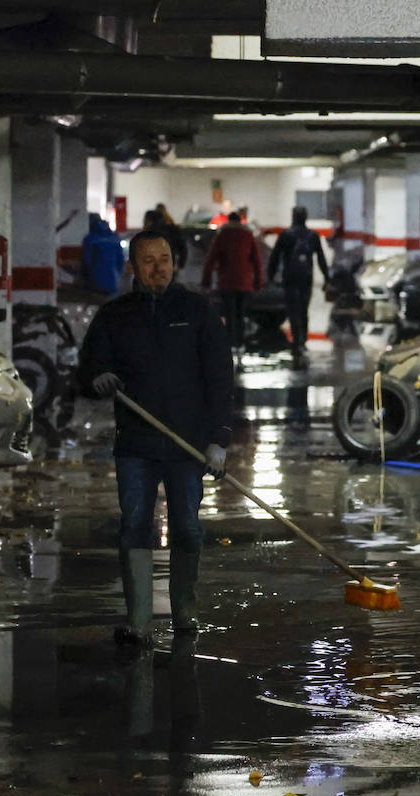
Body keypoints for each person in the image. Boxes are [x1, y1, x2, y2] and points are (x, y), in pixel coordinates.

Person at [79, 231, 234, 647]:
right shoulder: (115, 315)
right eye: (148, 261)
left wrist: (219, 439)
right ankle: (140, 620)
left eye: (164, 259)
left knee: (187, 527)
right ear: (132, 265)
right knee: (134, 527)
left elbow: (220, 377)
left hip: (187, 446)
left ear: (174, 262)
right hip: (136, 444)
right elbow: (87, 368)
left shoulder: (197, 311)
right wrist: (98, 378)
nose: (158, 267)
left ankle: (184, 610)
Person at [268, 205, 329, 369]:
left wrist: (270, 277)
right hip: (306, 278)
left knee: (293, 310)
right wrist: (327, 277)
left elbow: (274, 258)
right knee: (304, 309)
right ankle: (303, 341)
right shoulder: (312, 236)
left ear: (293, 216)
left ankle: (297, 341)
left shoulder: (285, 236)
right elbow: (321, 258)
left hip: (290, 279)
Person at [201, 210, 263, 351]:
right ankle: (240, 344)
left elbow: (211, 260)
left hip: (227, 283)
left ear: (228, 220)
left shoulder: (222, 236)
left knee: (229, 315)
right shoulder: (248, 235)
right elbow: (256, 261)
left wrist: (206, 281)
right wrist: (258, 282)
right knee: (240, 315)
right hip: (244, 283)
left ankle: (230, 344)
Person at [81, 213, 125, 295]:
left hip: (95, 281)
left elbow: (87, 260)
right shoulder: (114, 237)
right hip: (113, 280)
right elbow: (120, 261)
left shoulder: (90, 238)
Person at [143, 207, 188, 272]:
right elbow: (183, 248)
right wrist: (180, 264)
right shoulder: (173, 229)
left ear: (149, 221)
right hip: (170, 265)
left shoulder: (150, 232)